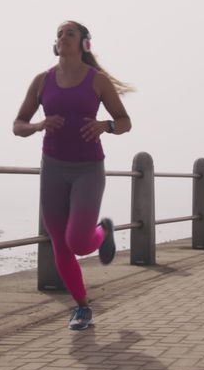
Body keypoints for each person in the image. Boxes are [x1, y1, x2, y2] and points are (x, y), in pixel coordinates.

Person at [13, 20, 133, 330]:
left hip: (87, 169)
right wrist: (37, 126)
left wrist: (105, 125)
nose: (63, 38)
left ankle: (102, 233)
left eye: (70, 34)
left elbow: (124, 122)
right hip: (53, 167)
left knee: (78, 242)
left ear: (84, 44)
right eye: (59, 34)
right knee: (60, 245)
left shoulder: (98, 81)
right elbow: (18, 124)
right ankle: (82, 308)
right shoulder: (42, 81)